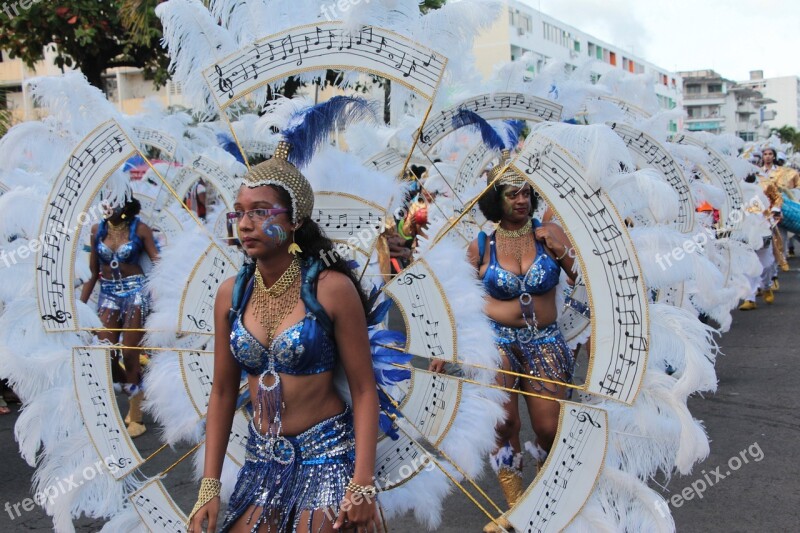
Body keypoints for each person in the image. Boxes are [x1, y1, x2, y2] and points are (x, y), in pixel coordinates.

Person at [188, 140, 381, 533]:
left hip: (326, 455)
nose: (244, 224)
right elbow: (224, 392)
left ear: (294, 221)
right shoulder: (231, 294)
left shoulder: (332, 289)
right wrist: (209, 487)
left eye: (261, 212)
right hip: (262, 459)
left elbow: (364, 390)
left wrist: (362, 484)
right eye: (239, 213)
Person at [433, 153, 577, 533]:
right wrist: (446, 349)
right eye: (513, 194)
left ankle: (551, 502)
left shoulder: (551, 235)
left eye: (527, 193)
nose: (521, 200)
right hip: (496, 342)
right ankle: (517, 510)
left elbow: (590, 281)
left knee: (549, 427)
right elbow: (456, 302)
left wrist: (559, 250)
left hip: (544, 341)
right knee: (503, 423)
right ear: (496, 199)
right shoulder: (481, 246)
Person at [79, 195, 159, 437]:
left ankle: (136, 416)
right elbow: (93, 272)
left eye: (113, 202)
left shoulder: (140, 229)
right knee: (105, 352)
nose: (108, 207)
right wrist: (79, 309)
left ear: (125, 204)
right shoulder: (97, 230)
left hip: (136, 292)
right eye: (105, 203)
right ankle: (134, 385)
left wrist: (167, 297)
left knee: (129, 351)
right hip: (108, 295)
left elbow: (158, 265)